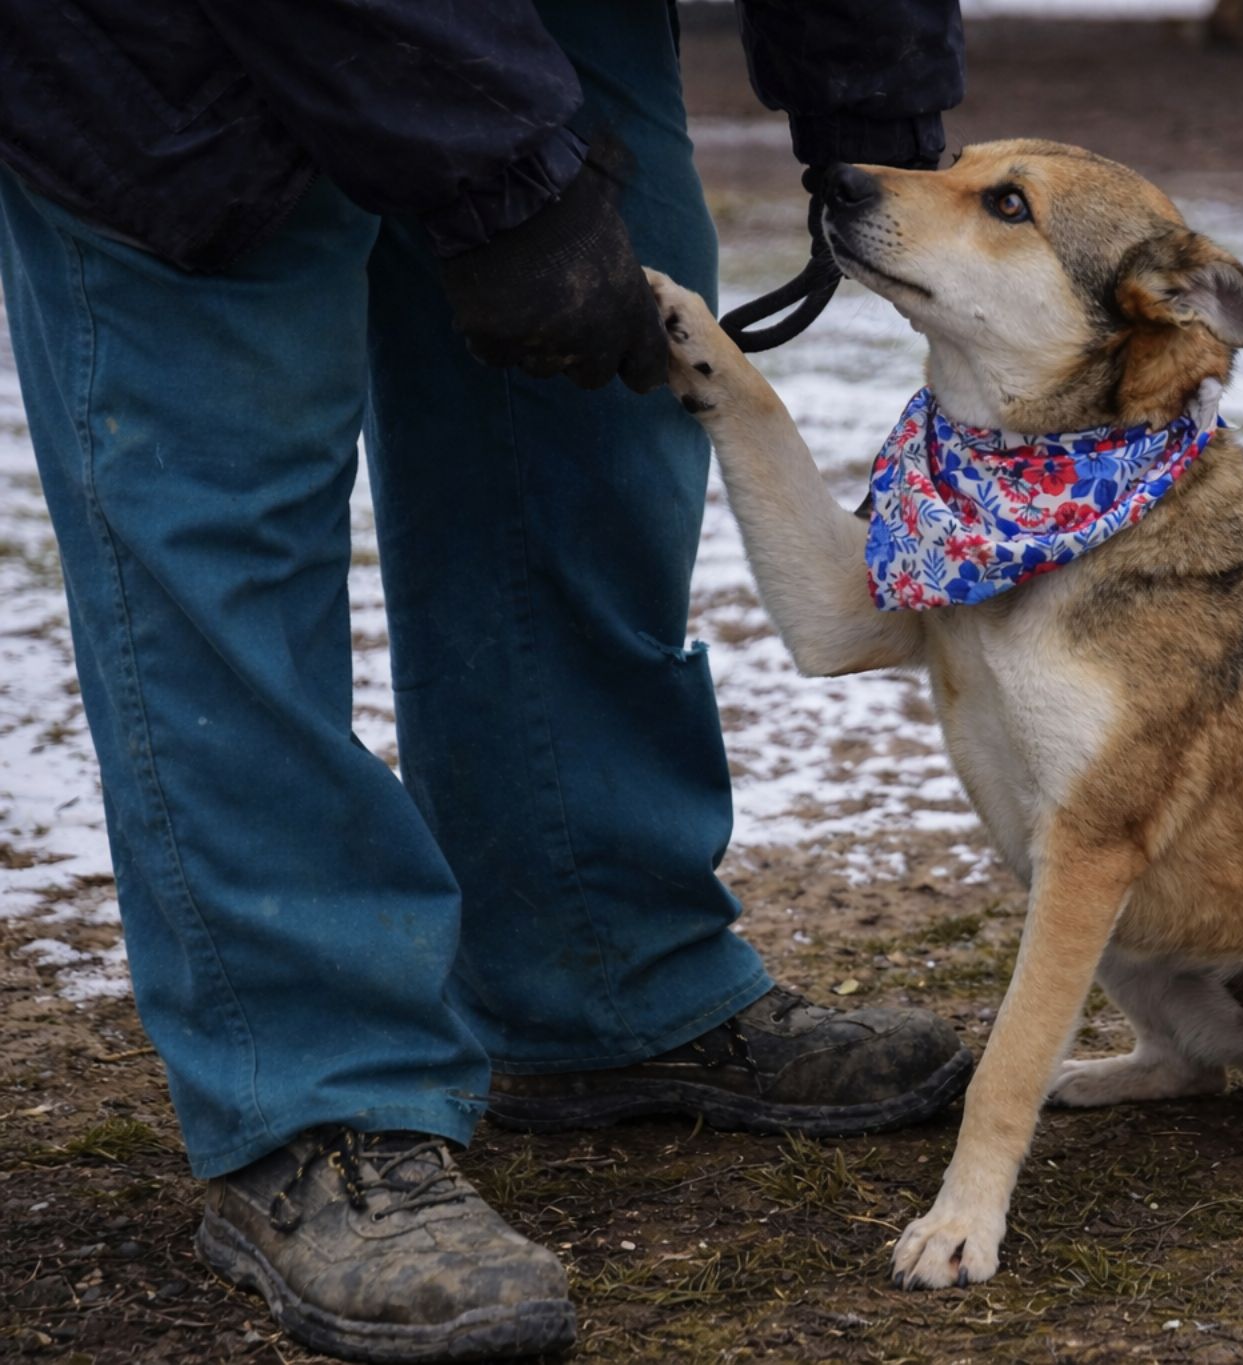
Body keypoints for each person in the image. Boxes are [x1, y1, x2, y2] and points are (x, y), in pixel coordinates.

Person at [0, 2, 967, 1359]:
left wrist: (869, 97)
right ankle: (314, 1096)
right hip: (164, 57)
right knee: (219, 528)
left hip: (549, 24)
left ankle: (600, 967)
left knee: (593, 418)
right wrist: (502, 180)